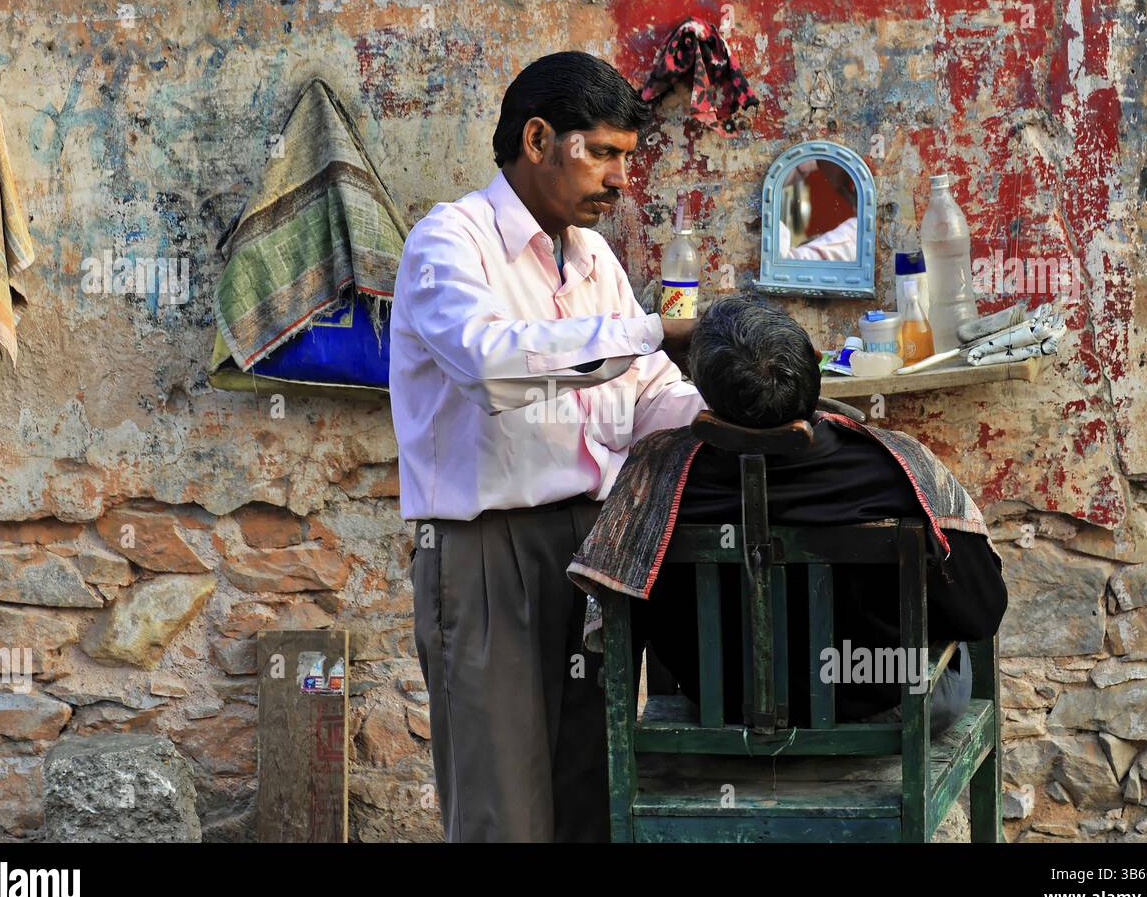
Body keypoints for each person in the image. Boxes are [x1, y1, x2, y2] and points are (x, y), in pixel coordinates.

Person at [389, 51, 706, 842]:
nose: (619, 179)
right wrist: (649, 329)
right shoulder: (450, 242)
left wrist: (726, 411)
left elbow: (640, 394)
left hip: (592, 550)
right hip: (485, 556)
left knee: (589, 800)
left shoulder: (591, 257)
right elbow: (491, 363)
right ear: (537, 139)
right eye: (601, 152)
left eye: (625, 158)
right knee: (504, 809)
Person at [629, 297, 1007, 734]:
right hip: (881, 707)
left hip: (724, 708)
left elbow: (620, 618)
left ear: (704, 391)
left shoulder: (656, 477)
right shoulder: (899, 471)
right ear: (814, 362)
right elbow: (981, 613)